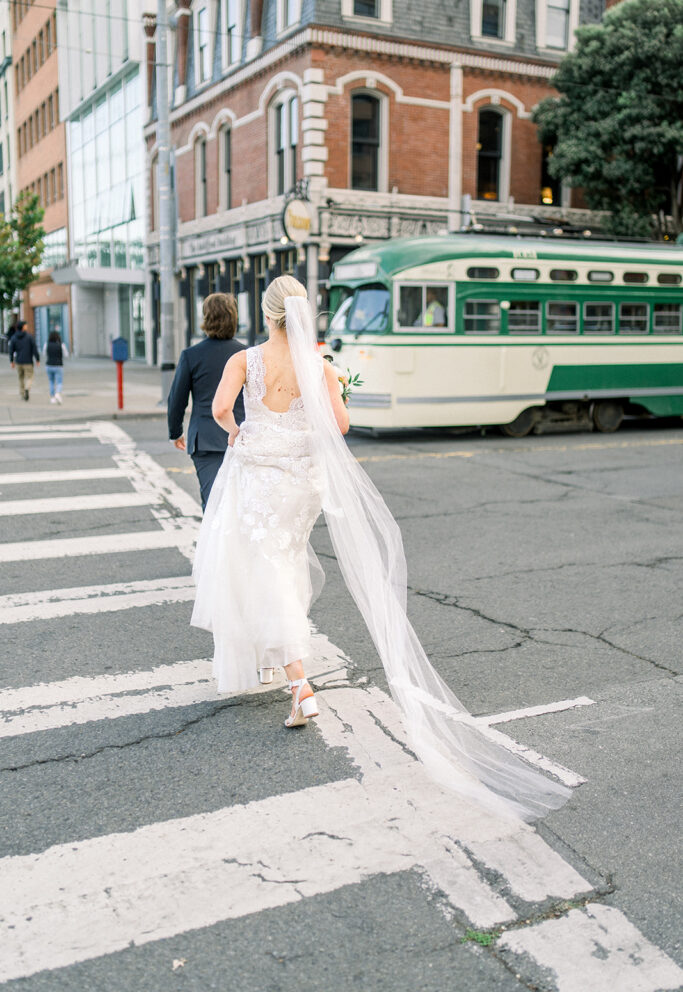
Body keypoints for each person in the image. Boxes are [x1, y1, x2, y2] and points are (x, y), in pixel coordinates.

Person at [192, 275, 572, 821]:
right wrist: (321, 404)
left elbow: (222, 411)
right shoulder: (319, 365)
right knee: (285, 560)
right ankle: (274, 661)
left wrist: (240, 433)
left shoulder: (244, 361)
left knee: (262, 567)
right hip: (303, 482)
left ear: (267, 313)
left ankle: (298, 681)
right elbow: (341, 425)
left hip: (260, 476)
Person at [167, 292, 245, 512]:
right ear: (234, 318)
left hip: (206, 441)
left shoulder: (191, 355)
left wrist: (175, 432)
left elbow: (177, 400)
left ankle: (215, 546)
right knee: (241, 505)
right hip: (243, 437)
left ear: (206, 318)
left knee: (214, 506)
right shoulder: (246, 355)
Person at [8, 320, 40, 401]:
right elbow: (34, 349)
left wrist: (11, 361)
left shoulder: (14, 337)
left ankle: (22, 394)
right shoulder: (29, 337)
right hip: (28, 361)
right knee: (30, 377)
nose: (27, 326)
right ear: (23, 327)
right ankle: (27, 388)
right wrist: (37, 359)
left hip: (18, 361)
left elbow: (11, 350)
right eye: (26, 325)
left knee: (20, 378)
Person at [42, 330, 69, 404]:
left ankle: (52, 397)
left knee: (51, 381)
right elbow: (66, 355)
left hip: (49, 365)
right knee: (59, 382)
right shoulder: (61, 345)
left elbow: (44, 353)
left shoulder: (46, 344)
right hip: (58, 365)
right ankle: (58, 393)